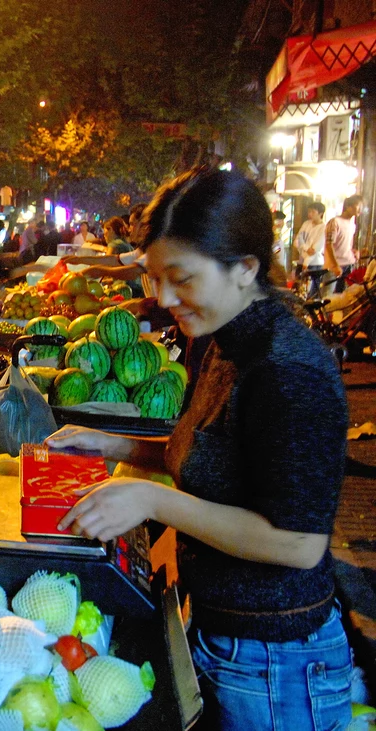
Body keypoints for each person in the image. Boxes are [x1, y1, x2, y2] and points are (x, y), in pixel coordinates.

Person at [49, 166, 351, 730]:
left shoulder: (288, 371)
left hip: (276, 665)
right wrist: (111, 443)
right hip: (221, 632)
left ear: (244, 269)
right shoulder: (218, 341)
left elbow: (298, 544)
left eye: (181, 279)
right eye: (155, 278)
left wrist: (153, 502)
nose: (163, 297)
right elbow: (207, 455)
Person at [325, 195, 361, 294]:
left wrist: (354, 251)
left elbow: (346, 244)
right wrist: (335, 265)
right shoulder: (335, 222)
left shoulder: (352, 224)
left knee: (343, 295)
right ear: (348, 206)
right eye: (358, 205)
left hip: (348, 264)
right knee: (328, 295)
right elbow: (329, 244)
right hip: (334, 266)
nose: (360, 209)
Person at [294, 201, 327, 299]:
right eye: (309, 212)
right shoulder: (306, 224)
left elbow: (316, 249)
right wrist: (305, 248)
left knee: (312, 291)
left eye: (313, 212)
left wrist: (307, 262)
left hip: (315, 263)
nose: (310, 214)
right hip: (301, 260)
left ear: (320, 213)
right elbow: (297, 241)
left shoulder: (323, 228)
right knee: (299, 288)